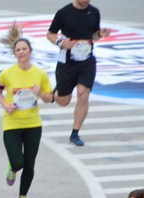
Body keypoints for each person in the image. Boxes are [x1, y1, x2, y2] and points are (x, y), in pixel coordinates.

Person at [0, 32, 55, 198]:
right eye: (18, 50)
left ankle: (22, 196)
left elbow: (49, 97)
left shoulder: (40, 74)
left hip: (33, 124)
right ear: (14, 54)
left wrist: (40, 94)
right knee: (18, 162)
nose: (21, 52)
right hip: (12, 123)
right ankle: (12, 169)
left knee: (30, 163)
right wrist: (5, 104)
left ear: (30, 51)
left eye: (24, 49)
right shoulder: (7, 74)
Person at [47, 0, 112, 147]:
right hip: (67, 63)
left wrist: (100, 34)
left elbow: (93, 35)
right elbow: (50, 34)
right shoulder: (64, 12)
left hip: (87, 61)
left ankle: (75, 133)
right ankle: (56, 93)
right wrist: (61, 43)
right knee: (64, 101)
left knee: (83, 93)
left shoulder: (94, 12)